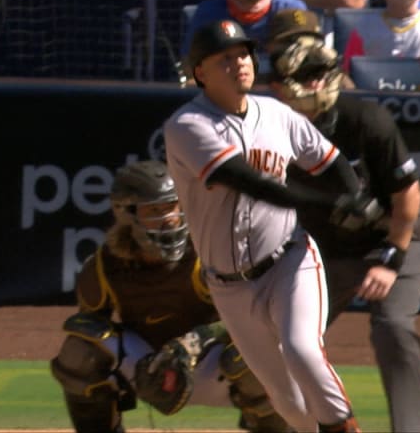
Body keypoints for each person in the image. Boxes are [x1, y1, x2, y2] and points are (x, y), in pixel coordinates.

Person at [164, 18, 378, 433]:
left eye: (243, 53)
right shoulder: (187, 126)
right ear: (200, 73)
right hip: (229, 284)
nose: (240, 62)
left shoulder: (277, 114)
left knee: (302, 352)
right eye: (225, 58)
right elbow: (248, 181)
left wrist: (353, 195)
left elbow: (331, 161)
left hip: (289, 262)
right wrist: (331, 203)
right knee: (287, 401)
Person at [264, 8, 420, 433]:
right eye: (306, 75)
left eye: (321, 71)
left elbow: (408, 195)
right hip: (324, 253)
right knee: (283, 341)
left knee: (393, 328)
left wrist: (391, 258)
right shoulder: (267, 128)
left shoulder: (365, 121)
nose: (316, 82)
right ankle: (279, 423)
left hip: (394, 238)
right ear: (279, 86)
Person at [50, 159, 290, 433]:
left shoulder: (211, 251)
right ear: (126, 213)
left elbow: (255, 315)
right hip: (149, 368)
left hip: (211, 365)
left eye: (172, 208)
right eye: (154, 210)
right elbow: (91, 332)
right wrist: (152, 362)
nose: (168, 219)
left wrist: (194, 341)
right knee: (79, 349)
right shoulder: (104, 266)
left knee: (258, 350)